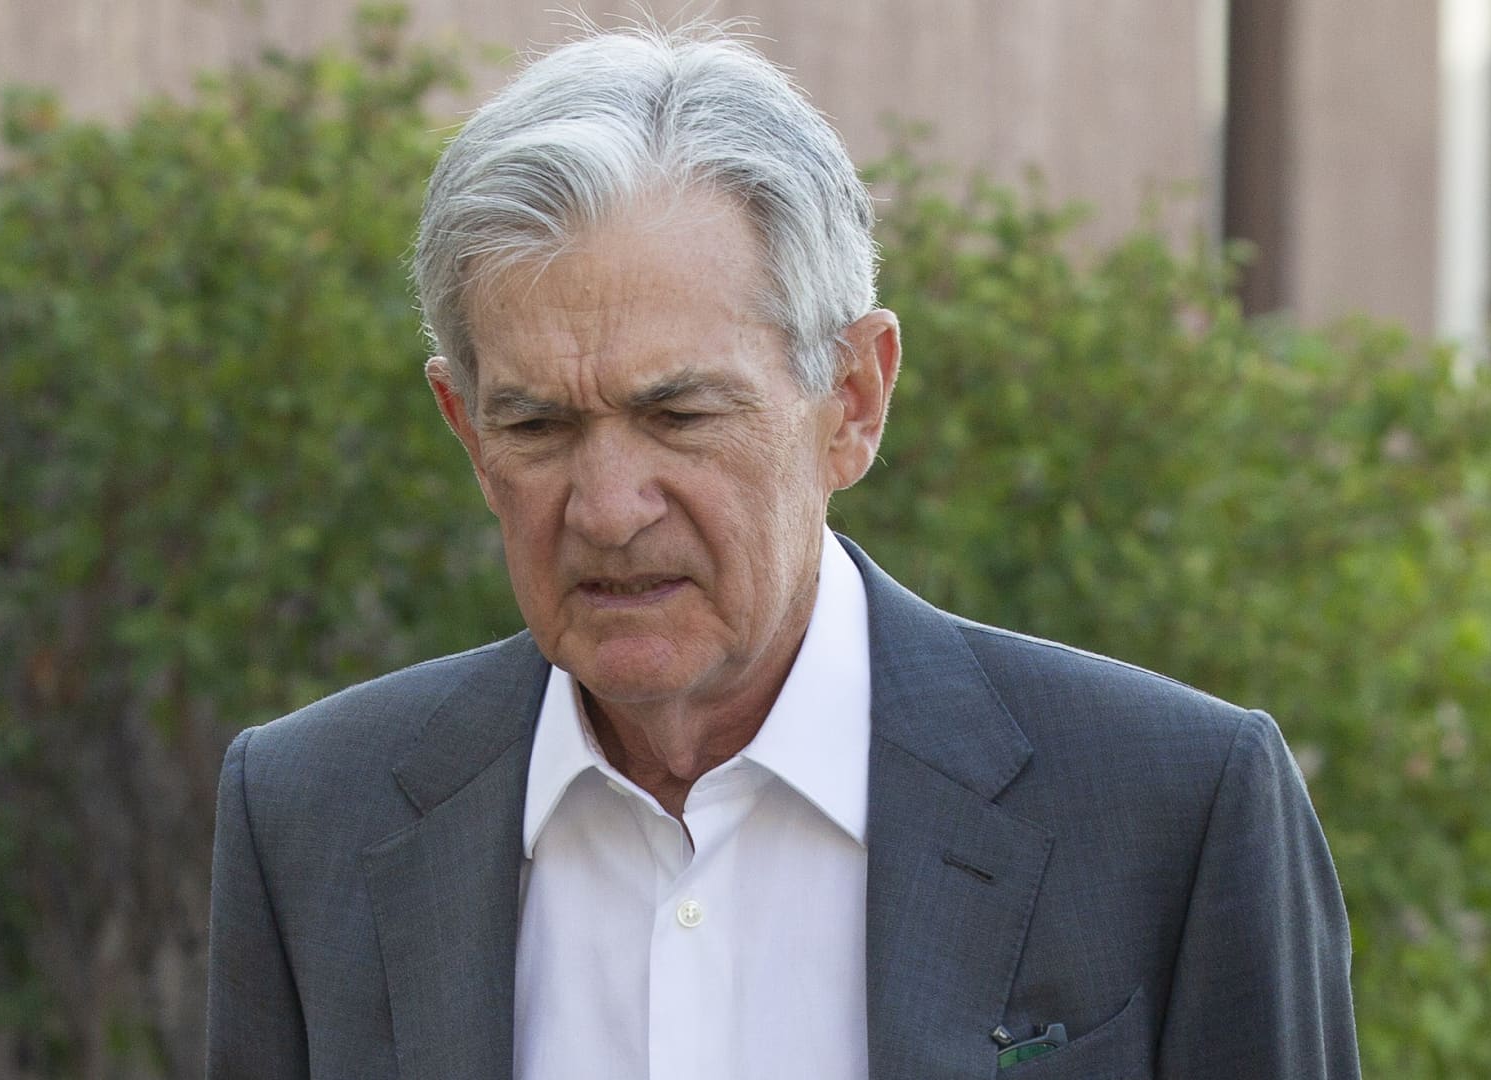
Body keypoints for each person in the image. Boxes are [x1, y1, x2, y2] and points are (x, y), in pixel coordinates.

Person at [206, 23, 1359, 1080]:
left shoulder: (1172, 809)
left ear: (852, 400)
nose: (607, 510)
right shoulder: (312, 819)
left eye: (680, 415)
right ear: (466, 430)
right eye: (538, 427)